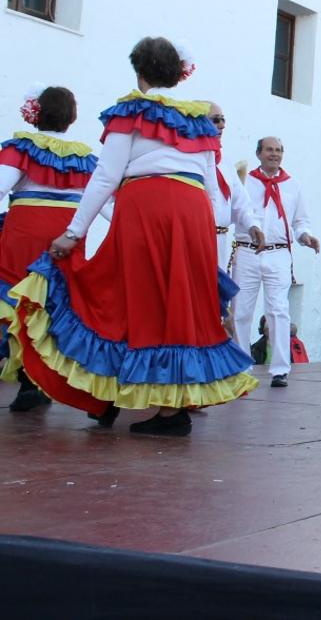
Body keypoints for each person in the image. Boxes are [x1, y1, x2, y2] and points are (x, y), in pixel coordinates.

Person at [9, 37, 260, 435]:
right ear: (178, 75)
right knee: (176, 303)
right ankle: (161, 407)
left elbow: (106, 177)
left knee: (124, 296)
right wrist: (205, 241)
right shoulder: (199, 119)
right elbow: (212, 186)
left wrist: (74, 233)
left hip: (148, 206)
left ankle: (111, 398)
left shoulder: (130, 111)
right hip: (193, 212)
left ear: (140, 72)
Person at [0, 86, 99, 412]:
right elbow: (107, 204)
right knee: (53, 306)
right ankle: (38, 381)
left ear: (35, 113)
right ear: (72, 118)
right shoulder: (84, 159)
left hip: (25, 235)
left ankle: (26, 378)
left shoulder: (20, 149)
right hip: (66, 238)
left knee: (15, 300)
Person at [232, 136, 320, 388]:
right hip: (248, 251)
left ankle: (280, 369)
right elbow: (235, 211)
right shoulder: (244, 181)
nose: (275, 154)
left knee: (278, 310)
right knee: (241, 310)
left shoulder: (293, 185)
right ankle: (242, 366)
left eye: (279, 150)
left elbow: (300, 220)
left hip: (278, 252)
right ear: (259, 153)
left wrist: (306, 237)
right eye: (269, 150)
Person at [204, 102, 259, 275]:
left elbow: (240, 201)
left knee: (216, 293)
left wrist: (252, 225)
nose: (222, 125)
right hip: (196, 237)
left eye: (223, 120)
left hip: (221, 240)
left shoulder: (225, 162)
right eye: (216, 120)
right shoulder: (190, 159)